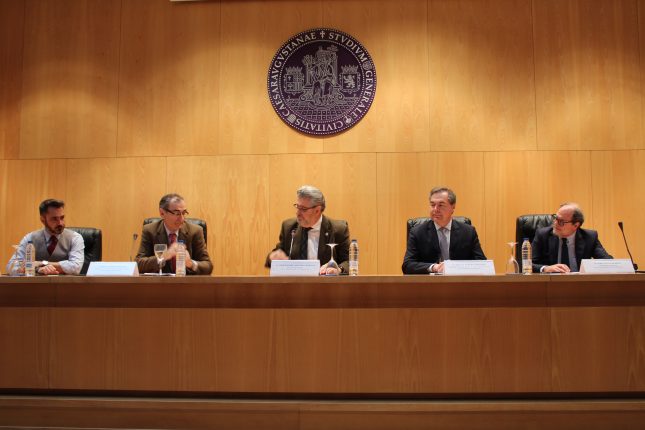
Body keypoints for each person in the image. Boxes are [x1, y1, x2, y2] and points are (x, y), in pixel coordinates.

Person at [265, 185, 350, 275]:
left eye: (303, 209)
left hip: (325, 282)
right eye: (297, 207)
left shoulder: (338, 229)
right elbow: (276, 256)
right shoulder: (289, 227)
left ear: (317, 210)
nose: (297, 213)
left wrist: (338, 269)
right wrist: (272, 258)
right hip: (295, 283)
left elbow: (349, 262)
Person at [402, 187, 486, 274]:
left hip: (459, 280)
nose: (435, 209)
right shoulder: (417, 232)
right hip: (429, 281)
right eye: (432, 205)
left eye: (441, 205)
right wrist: (434, 267)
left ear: (453, 207)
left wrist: (455, 267)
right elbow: (407, 265)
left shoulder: (468, 232)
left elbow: (482, 264)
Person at [136, 193, 213, 275]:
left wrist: (191, 263)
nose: (182, 219)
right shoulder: (150, 230)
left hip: (186, 282)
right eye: (177, 213)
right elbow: (138, 264)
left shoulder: (195, 231)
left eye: (184, 213)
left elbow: (208, 266)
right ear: (162, 213)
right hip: (160, 282)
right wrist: (163, 256)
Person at [6, 198, 84, 275]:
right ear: (42, 219)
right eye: (54, 219)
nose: (60, 223)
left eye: (62, 218)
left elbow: (76, 267)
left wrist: (41, 263)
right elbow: (11, 267)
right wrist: (37, 269)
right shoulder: (29, 238)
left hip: (66, 283)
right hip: (36, 283)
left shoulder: (75, 238)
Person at [532, 203, 612, 273]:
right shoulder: (543, 235)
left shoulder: (589, 237)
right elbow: (527, 264)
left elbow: (608, 263)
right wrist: (545, 268)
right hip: (551, 282)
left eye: (561, 222)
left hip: (580, 283)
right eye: (555, 218)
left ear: (575, 225)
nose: (555, 223)